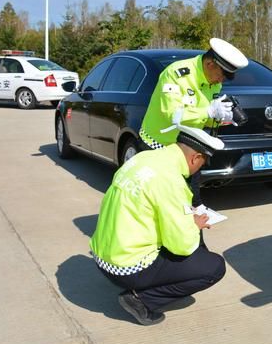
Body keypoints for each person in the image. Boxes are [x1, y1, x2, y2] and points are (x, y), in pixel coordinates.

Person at [89, 125, 227, 325]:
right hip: (126, 267)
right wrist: (194, 225)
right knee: (213, 267)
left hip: (102, 255)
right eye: (202, 163)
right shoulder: (170, 180)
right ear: (195, 158)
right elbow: (181, 245)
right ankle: (140, 300)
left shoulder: (143, 158)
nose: (200, 169)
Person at [139, 37, 248, 206]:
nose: (221, 81)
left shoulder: (214, 83)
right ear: (210, 64)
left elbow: (204, 120)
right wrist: (209, 111)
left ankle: (191, 228)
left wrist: (221, 119)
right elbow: (172, 115)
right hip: (159, 144)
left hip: (189, 149)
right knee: (160, 201)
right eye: (221, 76)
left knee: (192, 201)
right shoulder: (176, 74)